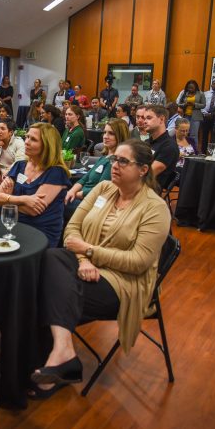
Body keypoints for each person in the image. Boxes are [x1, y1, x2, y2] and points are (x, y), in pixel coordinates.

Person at [30, 139, 170, 398]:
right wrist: (84, 260)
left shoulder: (155, 208)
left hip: (123, 283)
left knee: (43, 288)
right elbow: (72, 228)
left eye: (122, 161)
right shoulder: (104, 189)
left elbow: (139, 261)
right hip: (87, 265)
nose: (113, 165)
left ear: (142, 169)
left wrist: (91, 251)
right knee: (50, 258)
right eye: (114, 159)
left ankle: (48, 363)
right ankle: (62, 352)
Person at [0, 123, 71, 247]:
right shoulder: (19, 165)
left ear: (47, 146)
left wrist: (7, 202)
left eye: (33, 139)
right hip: (11, 225)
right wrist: (24, 199)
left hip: (39, 232)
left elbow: (32, 210)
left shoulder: (56, 172)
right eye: (27, 137)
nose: (26, 142)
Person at [64, 119, 130, 218]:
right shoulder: (104, 157)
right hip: (82, 197)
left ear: (120, 136)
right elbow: (85, 178)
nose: (105, 136)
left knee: (54, 202)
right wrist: (72, 191)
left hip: (92, 204)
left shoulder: (115, 162)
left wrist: (75, 194)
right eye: (105, 132)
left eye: (111, 133)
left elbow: (100, 190)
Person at [144, 104, 179, 189]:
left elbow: (148, 174)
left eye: (148, 118)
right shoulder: (147, 142)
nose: (144, 121)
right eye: (144, 118)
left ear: (161, 119)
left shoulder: (169, 146)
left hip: (148, 193)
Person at [176, 79, 206, 146]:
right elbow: (179, 103)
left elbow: (204, 105)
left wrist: (194, 104)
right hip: (186, 116)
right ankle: (186, 149)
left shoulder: (200, 93)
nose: (190, 89)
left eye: (192, 88)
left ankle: (194, 151)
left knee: (194, 135)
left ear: (195, 87)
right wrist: (185, 104)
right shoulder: (185, 93)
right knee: (184, 134)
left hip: (196, 117)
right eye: (189, 87)